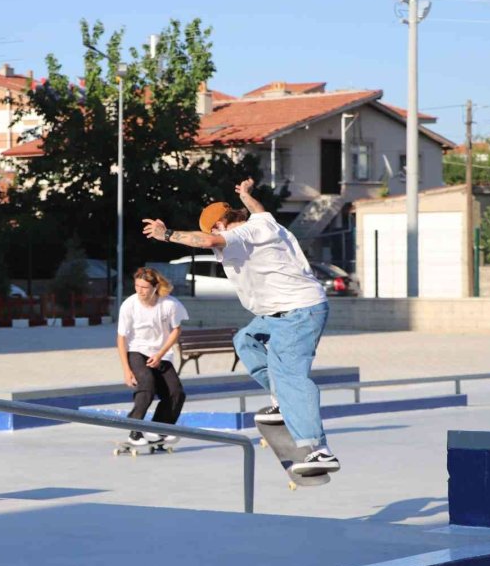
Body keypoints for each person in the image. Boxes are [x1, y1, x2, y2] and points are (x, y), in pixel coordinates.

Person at [142, 178, 339, 476]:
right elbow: (258, 208)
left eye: (215, 231)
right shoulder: (262, 220)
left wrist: (166, 234)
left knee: (291, 377)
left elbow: (208, 241)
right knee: (245, 340)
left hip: (298, 313)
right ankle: (282, 399)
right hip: (277, 315)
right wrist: (246, 195)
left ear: (221, 225)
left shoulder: (247, 232)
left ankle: (318, 449)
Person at [117, 267, 189, 446]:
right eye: (137, 286)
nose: (140, 291)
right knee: (147, 387)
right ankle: (134, 431)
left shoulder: (169, 304)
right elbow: (121, 338)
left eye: (144, 287)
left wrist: (160, 354)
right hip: (137, 350)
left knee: (176, 393)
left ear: (155, 287)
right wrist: (126, 370)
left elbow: (176, 330)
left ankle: (159, 428)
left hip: (161, 353)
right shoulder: (129, 305)